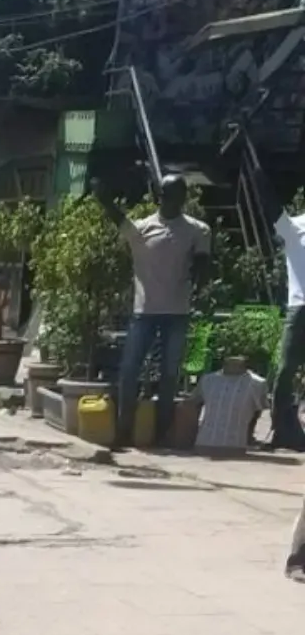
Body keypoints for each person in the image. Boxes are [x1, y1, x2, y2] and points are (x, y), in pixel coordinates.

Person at [92, 174, 212, 450]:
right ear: (161, 197)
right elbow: (120, 220)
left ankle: (162, 433)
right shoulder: (143, 229)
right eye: (171, 195)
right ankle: (123, 430)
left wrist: (200, 279)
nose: (177, 201)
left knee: (170, 374)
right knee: (129, 370)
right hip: (144, 312)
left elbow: (203, 263)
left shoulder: (197, 230)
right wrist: (104, 199)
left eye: (182, 196)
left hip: (177, 312)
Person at [234, 131, 305, 451]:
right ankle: (282, 429)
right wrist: (256, 165)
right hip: (299, 307)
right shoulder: (294, 228)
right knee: (285, 370)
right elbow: (269, 202)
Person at [192, 354, 268, 452]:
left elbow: (257, 413)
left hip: (236, 446)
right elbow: (192, 405)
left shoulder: (258, 383)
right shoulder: (207, 380)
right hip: (203, 443)